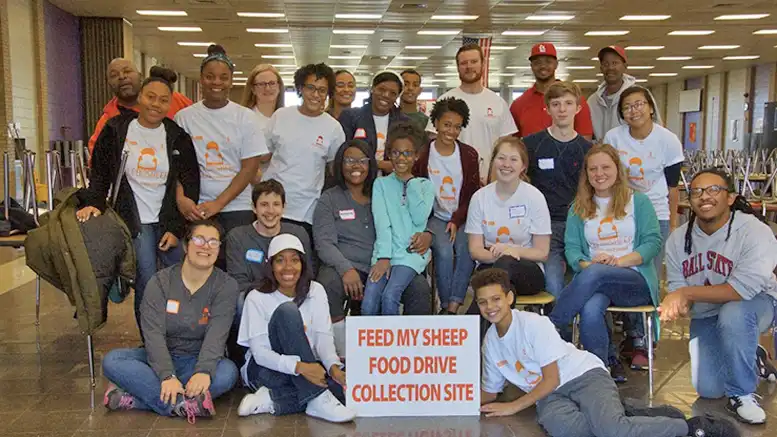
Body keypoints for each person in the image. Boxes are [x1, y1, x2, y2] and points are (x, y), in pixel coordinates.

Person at [475, 268, 741, 437]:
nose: (490, 307)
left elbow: (552, 378)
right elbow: (489, 390)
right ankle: (625, 412)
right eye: (483, 302)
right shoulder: (491, 342)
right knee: (568, 430)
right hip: (549, 395)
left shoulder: (533, 324)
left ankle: (693, 428)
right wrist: (452, 400)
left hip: (582, 376)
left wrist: (513, 406)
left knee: (611, 430)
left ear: (509, 298)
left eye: (496, 299)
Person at [77, 66, 200, 333]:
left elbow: (190, 183)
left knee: (181, 279)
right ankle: (151, 339)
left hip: (167, 220)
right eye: (150, 97)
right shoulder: (116, 130)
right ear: (140, 97)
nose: (156, 104)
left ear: (171, 104)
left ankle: (180, 334)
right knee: (147, 279)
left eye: (163, 100)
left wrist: (176, 229)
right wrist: (93, 202)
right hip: (135, 222)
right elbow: (100, 174)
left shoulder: (177, 136)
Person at [660, 168, 777, 425]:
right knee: (709, 389)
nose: (705, 196)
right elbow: (681, 292)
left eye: (714, 189)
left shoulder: (754, 231)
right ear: (689, 199)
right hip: (706, 312)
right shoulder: (679, 240)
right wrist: (675, 305)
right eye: (697, 191)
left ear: (731, 197)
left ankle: (742, 394)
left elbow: (739, 291)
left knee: (733, 312)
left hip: (757, 304)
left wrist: (685, 293)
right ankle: (752, 354)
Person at [101, 220, 239, 423]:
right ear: (186, 245)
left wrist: (203, 371)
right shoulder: (159, 282)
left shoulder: (226, 286)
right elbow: (153, 334)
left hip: (196, 358)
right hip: (157, 358)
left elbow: (216, 336)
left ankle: (138, 398)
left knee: (228, 373)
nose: (205, 246)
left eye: (213, 242)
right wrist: (167, 376)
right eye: (199, 239)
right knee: (113, 361)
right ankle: (184, 404)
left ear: (219, 249)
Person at [549, 144, 662, 383]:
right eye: (593, 169)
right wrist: (586, 265)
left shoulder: (638, 202)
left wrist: (618, 262)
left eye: (605, 167)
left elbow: (652, 243)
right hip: (595, 281)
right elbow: (572, 250)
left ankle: (552, 326)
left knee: (599, 273)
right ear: (586, 174)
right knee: (590, 309)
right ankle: (600, 370)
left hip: (634, 280)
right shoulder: (578, 208)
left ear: (617, 170)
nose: (599, 173)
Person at [314, 140, 433, 352]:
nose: (356, 166)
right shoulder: (329, 199)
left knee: (419, 288)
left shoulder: (383, 190)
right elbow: (324, 244)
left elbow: (414, 217)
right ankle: (342, 354)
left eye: (362, 161)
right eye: (349, 160)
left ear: (371, 165)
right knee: (327, 282)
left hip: (388, 262)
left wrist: (427, 235)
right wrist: (346, 270)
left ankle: (412, 354)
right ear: (340, 164)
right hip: (348, 267)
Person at [236, 234, 356, 423]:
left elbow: (323, 338)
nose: (288, 267)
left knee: (343, 384)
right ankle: (318, 398)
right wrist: (301, 368)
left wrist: (333, 367)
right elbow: (260, 354)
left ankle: (271, 400)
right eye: (280, 260)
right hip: (266, 371)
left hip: (305, 367)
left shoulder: (315, 290)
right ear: (270, 266)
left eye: (295, 260)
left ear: (303, 264)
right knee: (287, 312)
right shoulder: (256, 297)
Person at [174, 44, 268, 267]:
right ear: (201, 79)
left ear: (231, 80)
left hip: (237, 209)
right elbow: (175, 166)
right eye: (210, 77)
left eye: (223, 77)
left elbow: (249, 168)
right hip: (196, 208)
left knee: (237, 269)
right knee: (200, 268)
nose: (216, 82)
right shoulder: (184, 118)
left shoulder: (245, 118)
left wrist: (218, 203)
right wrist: (180, 198)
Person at [465, 137, 551, 337]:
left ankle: (470, 338)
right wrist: (499, 255)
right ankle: (502, 345)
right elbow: (475, 250)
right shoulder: (480, 198)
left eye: (513, 159)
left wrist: (513, 252)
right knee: (500, 281)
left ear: (523, 166)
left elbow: (542, 252)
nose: (506, 164)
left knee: (500, 273)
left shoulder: (534, 197)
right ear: (493, 161)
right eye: (501, 158)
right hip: (490, 265)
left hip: (528, 271)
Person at [522, 81, 592, 299]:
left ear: (578, 108)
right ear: (547, 108)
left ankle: (575, 330)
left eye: (568, 103)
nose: (562, 109)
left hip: (579, 225)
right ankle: (556, 330)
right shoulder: (531, 145)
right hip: (545, 227)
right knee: (553, 284)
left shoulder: (588, 150)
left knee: (582, 283)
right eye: (556, 104)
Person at [262, 63, 346, 240]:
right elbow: (262, 156)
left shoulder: (333, 128)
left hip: (306, 210)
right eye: (311, 88)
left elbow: (335, 171)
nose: (316, 95)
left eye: (322, 90)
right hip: (271, 206)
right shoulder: (281, 116)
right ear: (300, 89)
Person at [413, 97, 479, 314]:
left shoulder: (469, 155)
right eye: (447, 125)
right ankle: (444, 305)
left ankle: (453, 305)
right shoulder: (423, 154)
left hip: (463, 216)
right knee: (443, 251)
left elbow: (471, 195)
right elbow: (417, 190)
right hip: (434, 216)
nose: (451, 131)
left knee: (466, 250)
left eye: (457, 127)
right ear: (436, 123)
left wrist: (456, 220)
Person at [363, 122, 435, 315]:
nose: (401, 158)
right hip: (385, 252)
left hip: (410, 255)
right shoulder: (381, 184)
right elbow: (382, 223)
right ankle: (369, 345)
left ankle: (392, 344)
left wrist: (410, 183)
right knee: (369, 300)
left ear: (416, 156)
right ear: (389, 155)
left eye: (407, 153)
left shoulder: (425, 186)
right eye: (396, 153)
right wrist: (384, 257)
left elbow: (419, 219)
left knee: (390, 296)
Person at [226, 179, 313, 325]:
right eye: (264, 205)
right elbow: (238, 283)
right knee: (240, 301)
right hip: (254, 298)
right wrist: (271, 293)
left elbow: (307, 273)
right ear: (254, 208)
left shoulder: (298, 233)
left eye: (276, 204)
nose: (270, 211)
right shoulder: (237, 236)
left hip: (292, 294)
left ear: (284, 207)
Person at [426, 43, 517, 179]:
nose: (469, 67)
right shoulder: (445, 100)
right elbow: (433, 140)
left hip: (491, 179)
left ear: (483, 64)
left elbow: (507, 144)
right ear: (458, 67)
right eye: (464, 63)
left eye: (474, 62)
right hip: (452, 181)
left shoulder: (498, 102)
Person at [88, 59, 193, 162]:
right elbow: (98, 162)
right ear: (109, 84)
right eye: (114, 75)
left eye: (127, 71)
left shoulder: (176, 100)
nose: (122, 77)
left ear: (140, 76)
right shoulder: (108, 123)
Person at [510, 43, 594, 141]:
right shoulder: (519, 104)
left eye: (548, 62)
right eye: (537, 62)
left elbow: (585, 139)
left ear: (556, 64)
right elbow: (513, 142)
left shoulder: (575, 99)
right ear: (531, 66)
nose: (543, 66)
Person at [339, 70, 408, 174]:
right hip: (358, 181)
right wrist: (381, 164)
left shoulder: (404, 122)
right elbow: (343, 153)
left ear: (397, 97)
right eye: (381, 89)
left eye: (392, 93)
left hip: (392, 182)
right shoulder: (351, 117)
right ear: (372, 89)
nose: (386, 95)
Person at [588, 45, 662, 141]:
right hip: (605, 154)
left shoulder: (640, 95)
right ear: (601, 68)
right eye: (606, 64)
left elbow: (658, 126)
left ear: (624, 66)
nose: (610, 67)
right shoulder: (592, 101)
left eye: (615, 63)